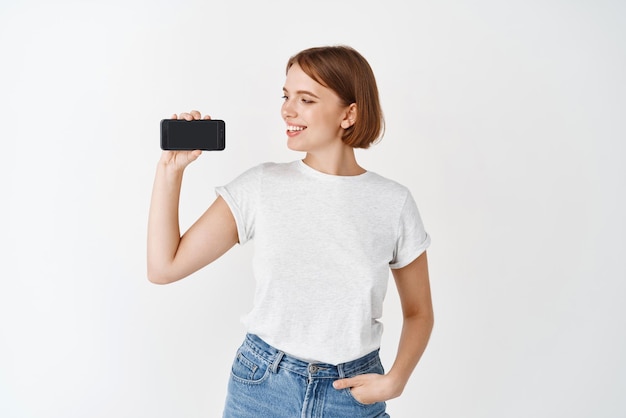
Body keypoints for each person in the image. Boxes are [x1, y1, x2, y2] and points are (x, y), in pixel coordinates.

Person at [147, 45, 433, 418]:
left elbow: (419, 312)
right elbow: (164, 267)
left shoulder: (392, 202)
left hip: (352, 393)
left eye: (306, 99)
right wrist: (170, 170)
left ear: (349, 113)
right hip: (261, 387)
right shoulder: (262, 186)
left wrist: (396, 380)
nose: (287, 109)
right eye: (286, 95)